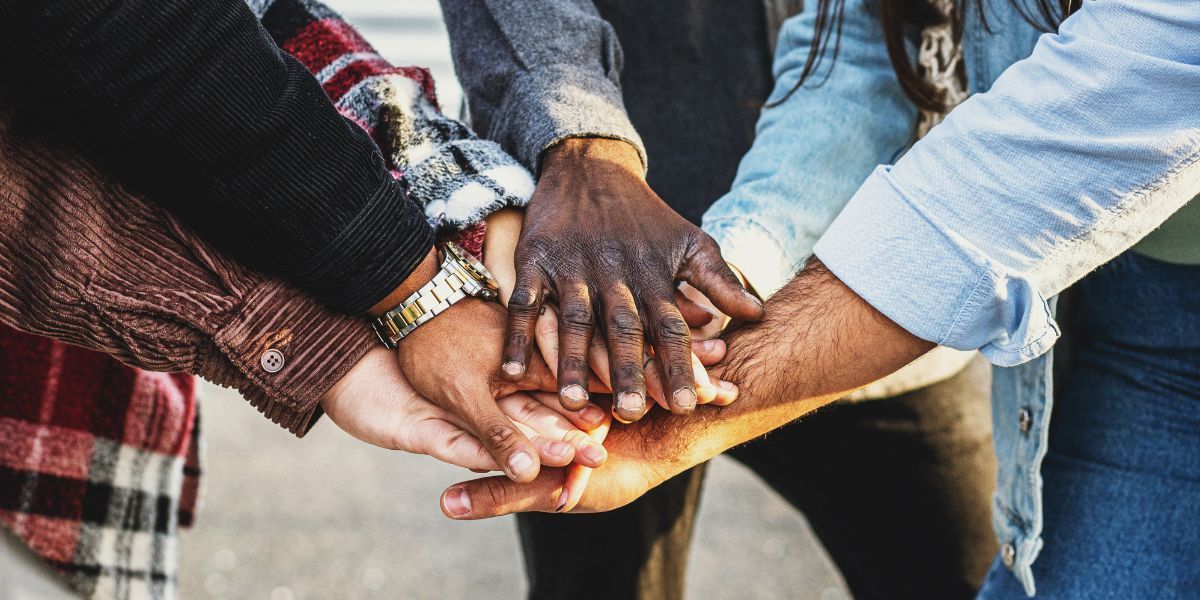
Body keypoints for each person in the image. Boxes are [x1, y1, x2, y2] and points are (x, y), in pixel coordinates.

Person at [441, 0, 1200, 598]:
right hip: (1115, 317)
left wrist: (712, 398)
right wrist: (729, 271)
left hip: (915, 280)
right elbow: (867, 49)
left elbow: (1119, 100)